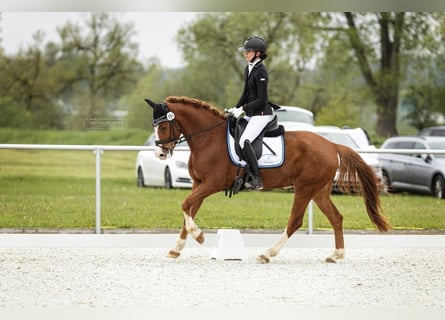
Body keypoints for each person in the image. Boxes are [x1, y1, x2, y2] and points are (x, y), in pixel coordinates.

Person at [231, 36, 275, 191]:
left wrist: (244, 109)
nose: (245, 54)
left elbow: (262, 99)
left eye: (248, 51)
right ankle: (245, 173)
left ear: (257, 53)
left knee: (244, 141)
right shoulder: (248, 68)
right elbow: (245, 93)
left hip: (262, 114)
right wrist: (235, 108)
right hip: (252, 113)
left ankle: (257, 178)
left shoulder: (261, 71)